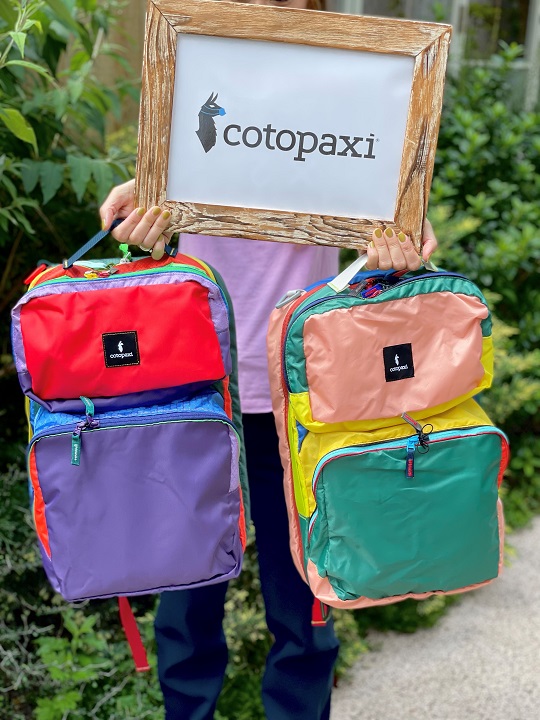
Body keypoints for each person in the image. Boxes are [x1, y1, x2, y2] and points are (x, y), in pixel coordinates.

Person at [100, 2, 439, 718]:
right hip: (196, 383)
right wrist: (140, 214)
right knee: (186, 604)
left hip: (299, 388)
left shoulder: (347, 100)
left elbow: (397, 218)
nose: (268, 12)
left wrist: (402, 246)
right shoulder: (195, 86)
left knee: (305, 601)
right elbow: (151, 216)